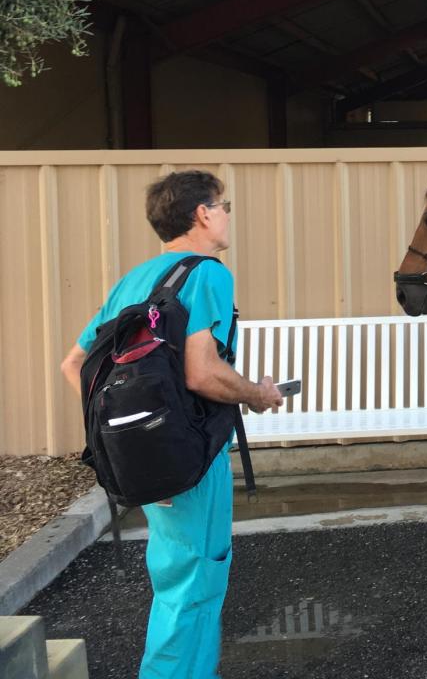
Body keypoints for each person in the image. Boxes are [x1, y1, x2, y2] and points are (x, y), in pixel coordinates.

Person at [59, 170, 282, 678]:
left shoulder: (135, 280)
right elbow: (202, 372)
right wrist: (258, 394)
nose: (226, 216)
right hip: (191, 457)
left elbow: (75, 364)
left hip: (148, 456)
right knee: (196, 581)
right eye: (224, 206)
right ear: (204, 213)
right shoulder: (208, 273)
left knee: (176, 573)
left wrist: (128, 443)